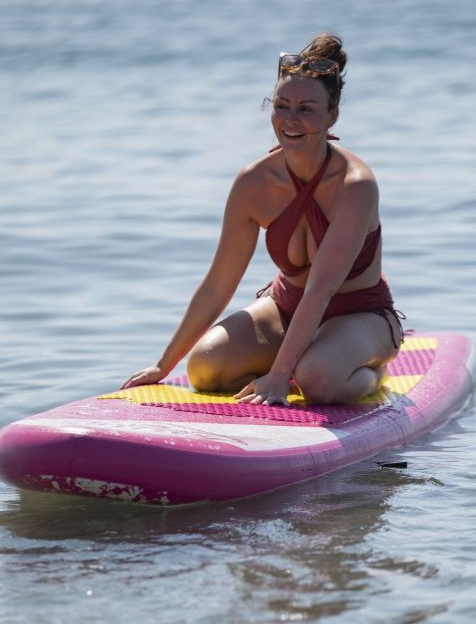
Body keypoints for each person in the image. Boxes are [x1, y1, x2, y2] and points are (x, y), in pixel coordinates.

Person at [121, 32, 404, 406]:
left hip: (360, 315)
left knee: (317, 381)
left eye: (306, 109)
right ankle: (301, 359)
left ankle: (367, 372)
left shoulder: (356, 186)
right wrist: (162, 364)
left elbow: (321, 289)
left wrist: (280, 376)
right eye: (281, 106)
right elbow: (218, 284)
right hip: (285, 309)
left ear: (332, 114)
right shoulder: (253, 183)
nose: (290, 119)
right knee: (205, 367)